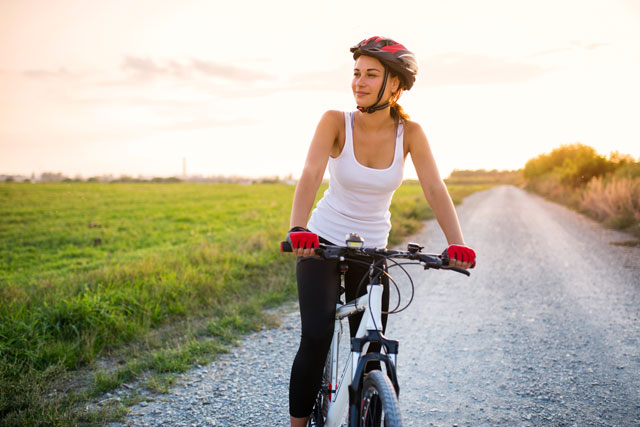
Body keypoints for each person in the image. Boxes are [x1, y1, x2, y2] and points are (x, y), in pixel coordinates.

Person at [284, 36, 476, 426]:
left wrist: (457, 243)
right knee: (317, 338)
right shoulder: (336, 121)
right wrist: (298, 229)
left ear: (396, 85)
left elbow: (435, 188)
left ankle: (375, 406)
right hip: (321, 242)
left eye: (371, 74)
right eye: (356, 74)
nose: (359, 82)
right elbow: (309, 173)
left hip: (372, 250)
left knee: (374, 349)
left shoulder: (412, 133)